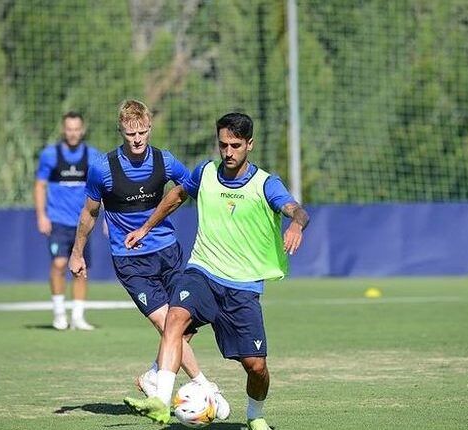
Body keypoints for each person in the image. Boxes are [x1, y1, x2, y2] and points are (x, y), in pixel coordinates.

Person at [122, 112, 309, 430]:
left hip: (243, 287)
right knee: (175, 319)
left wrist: (297, 224)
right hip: (202, 272)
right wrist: (145, 228)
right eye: (223, 145)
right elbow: (177, 195)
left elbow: (295, 208)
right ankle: (161, 400)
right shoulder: (205, 172)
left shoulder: (265, 184)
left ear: (250, 144)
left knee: (257, 367)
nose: (228, 152)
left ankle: (255, 414)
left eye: (236, 145)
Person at [68, 100, 230, 418]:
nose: (138, 139)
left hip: (168, 253)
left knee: (185, 326)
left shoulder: (165, 162)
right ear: (121, 131)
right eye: (131, 134)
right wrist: (77, 253)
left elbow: (194, 188)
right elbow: (89, 213)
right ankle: (205, 385)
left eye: (143, 132)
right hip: (130, 261)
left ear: (150, 129)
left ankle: (154, 375)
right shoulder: (104, 168)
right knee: (167, 322)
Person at [34, 111, 100, 331]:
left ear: (82, 130)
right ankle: (59, 314)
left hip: (83, 222)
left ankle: (78, 317)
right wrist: (42, 215)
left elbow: (102, 189)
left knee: (80, 267)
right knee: (60, 263)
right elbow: (40, 185)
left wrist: (106, 218)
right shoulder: (50, 155)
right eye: (69, 129)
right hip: (58, 221)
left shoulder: (93, 156)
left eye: (76, 129)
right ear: (64, 130)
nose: (73, 133)